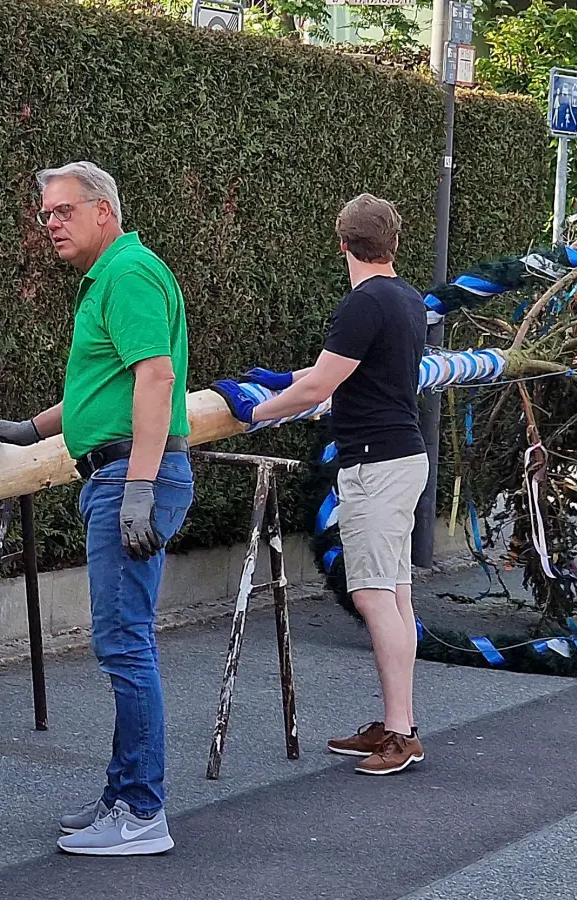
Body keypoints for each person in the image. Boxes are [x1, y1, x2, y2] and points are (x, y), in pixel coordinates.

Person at [0, 162, 193, 856]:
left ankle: (141, 812)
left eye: (63, 211)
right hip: (125, 473)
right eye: (45, 213)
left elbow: (156, 379)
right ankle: (123, 795)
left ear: (104, 210)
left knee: (126, 646)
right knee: (123, 644)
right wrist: (35, 429)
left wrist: (138, 487)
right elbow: (104, 387)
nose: (51, 223)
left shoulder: (128, 275)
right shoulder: (116, 274)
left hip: (132, 478)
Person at [215, 193, 428, 776]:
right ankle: (397, 724)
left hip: (374, 465)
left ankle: (401, 733)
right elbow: (341, 371)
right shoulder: (406, 298)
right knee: (396, 594)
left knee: (372, 596)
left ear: (341, 244)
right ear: (393, 242)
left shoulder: (362, 302)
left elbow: (319, 390)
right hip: (402, 459)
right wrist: (284, 378)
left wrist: (254, 413)